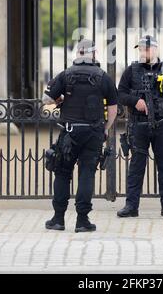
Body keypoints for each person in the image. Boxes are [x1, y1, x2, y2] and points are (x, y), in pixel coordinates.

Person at [42, 39, 118, 232]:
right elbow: (113, 109)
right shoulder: (103, 77)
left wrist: (59, 99)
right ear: (94, 54)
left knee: (62, 173)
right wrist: (105, 128)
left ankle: (58, 219)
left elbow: (46, 100)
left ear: (77, 54)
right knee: (86, 174)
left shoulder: (65, 75)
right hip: (93, 132)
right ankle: (82, 220)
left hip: (69, 132)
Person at [117, 35, 163, 218]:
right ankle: (131, 206)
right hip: (138, 124)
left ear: (155, 50)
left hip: (162, 123)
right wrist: (136, 101)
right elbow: (120, 94)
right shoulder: (131, 71)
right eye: (140, 49)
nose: (143, 52)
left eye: (146, 49)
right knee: (136, 166)